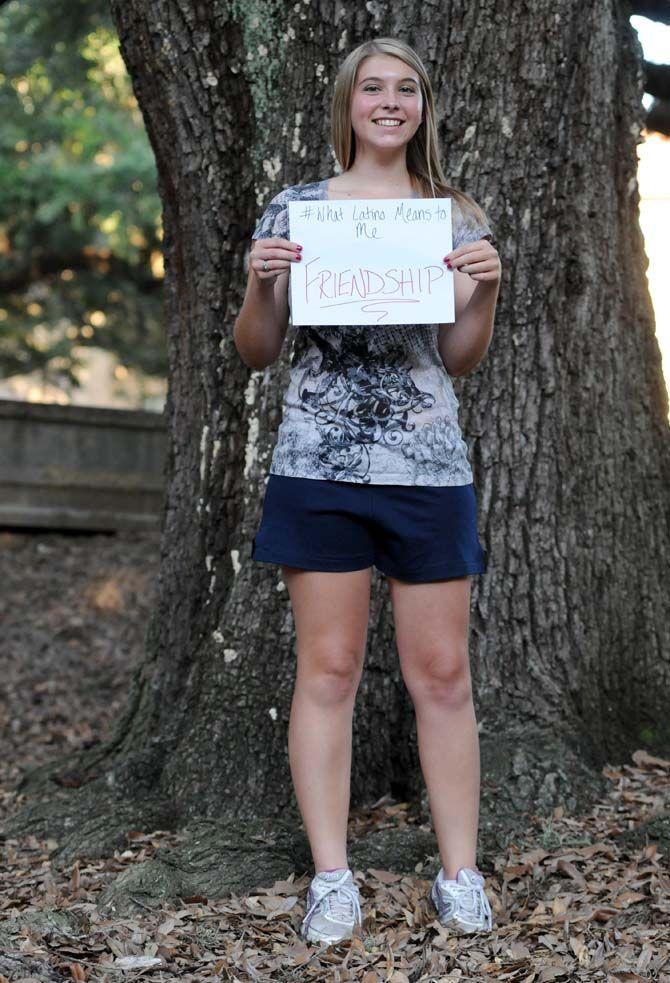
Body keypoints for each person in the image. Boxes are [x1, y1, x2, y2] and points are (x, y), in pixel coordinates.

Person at [234, 37, 500, 946]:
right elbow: (257, 349)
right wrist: (261, 286)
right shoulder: (298, 209)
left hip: (428, 471)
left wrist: (486, 295)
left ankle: (460, 874)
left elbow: (459, 359)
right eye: (374, 87)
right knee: (331, 671)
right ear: (349, 102)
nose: (391, 101)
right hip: (317, 466)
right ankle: (333, 877)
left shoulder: (451, 215)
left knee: (442, 675)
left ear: (423, 106)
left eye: (408, 89)